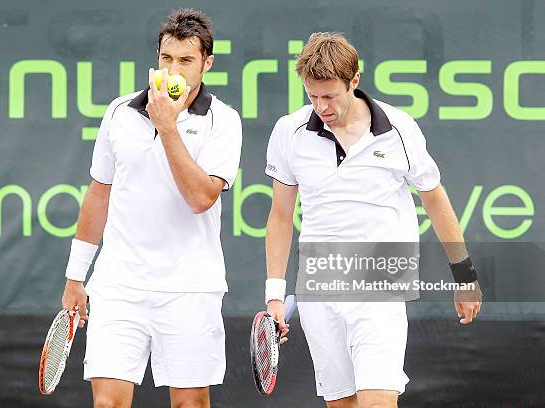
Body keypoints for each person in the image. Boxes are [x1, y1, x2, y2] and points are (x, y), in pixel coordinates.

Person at [263, 32, 482, 408]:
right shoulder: (289, 131)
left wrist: (465, 277)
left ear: (355, 80)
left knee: (378, 402)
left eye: (330, 95)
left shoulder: (399, 128)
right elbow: (281, 216)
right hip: (319, 285)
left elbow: (435, 200)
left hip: (381, 281)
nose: (321, 106)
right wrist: (274, 295)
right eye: (312, 95)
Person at [60, 9, 242, 408]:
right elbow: (99, 192)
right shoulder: (119, 112)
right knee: (108, 403)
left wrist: (168, 127)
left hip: (190, 288)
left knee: (189, 405)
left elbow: (200, 198)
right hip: (118, 284)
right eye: (166, 58)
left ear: (206, 64)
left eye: (185, 61)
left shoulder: (223, 121)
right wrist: (76, 276)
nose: (173, 70)